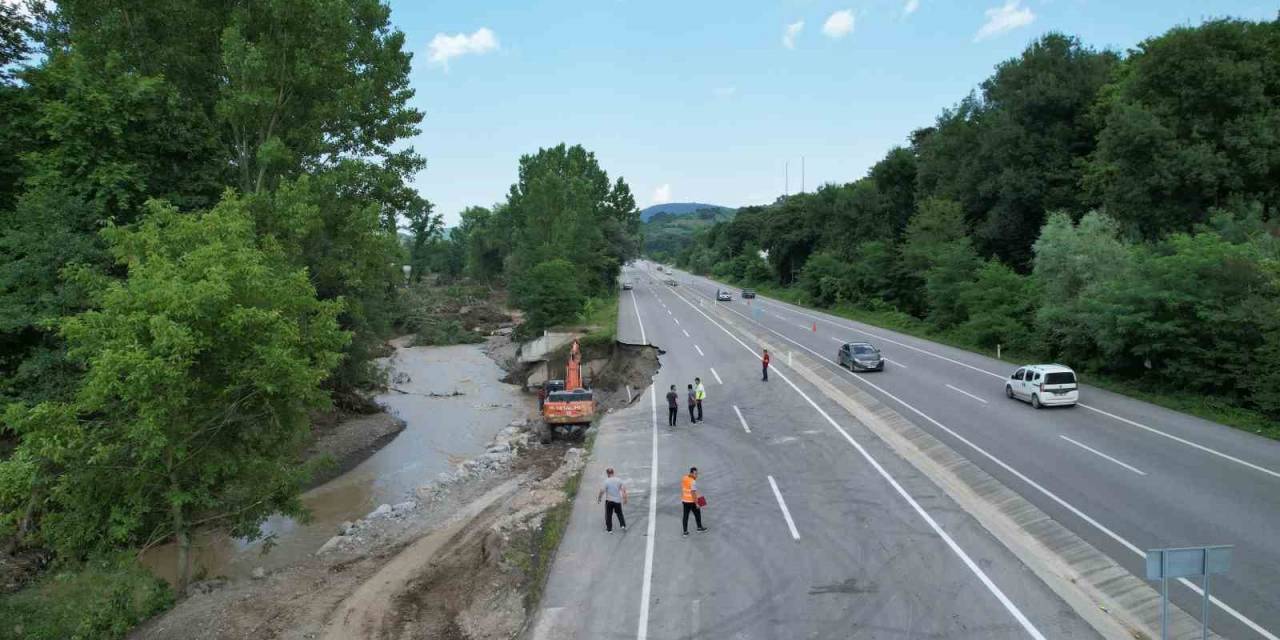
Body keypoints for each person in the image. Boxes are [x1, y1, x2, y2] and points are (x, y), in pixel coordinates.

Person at [597, 468, 627, 533]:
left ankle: (609, 529)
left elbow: (602, 491)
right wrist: (625, 499)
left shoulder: (606, 481)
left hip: (609, 501)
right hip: (617, 501)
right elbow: (623, 490)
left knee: (608, 515)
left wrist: (599, 498)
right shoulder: (619, 480)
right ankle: (623, 526)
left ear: (607, 473)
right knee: (619, 513)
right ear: (613, 472)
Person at [681, 467, 707, 535]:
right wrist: (697, 503)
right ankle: (699, 528)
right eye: (695, 474)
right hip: (691, 501)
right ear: (691, 473)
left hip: (684, 500)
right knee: (697, 514)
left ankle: (685, 532)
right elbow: (693, 493)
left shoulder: (684, 477)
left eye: (697, 473)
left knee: (685, 516)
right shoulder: (693, 481)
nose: (696, 475)